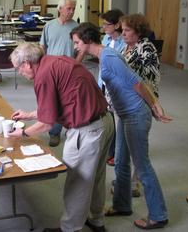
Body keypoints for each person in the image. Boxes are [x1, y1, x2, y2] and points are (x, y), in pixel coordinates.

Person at [71, 22, 171, 230]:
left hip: (136, 114)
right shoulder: (103, 56)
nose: (75, 47)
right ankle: (122, 205)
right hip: (124, 114)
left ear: (88, 41)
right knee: (121, 162)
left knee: (142, 167)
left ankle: (159, 215)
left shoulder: (109, 56)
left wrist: (154, 104)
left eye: (77, 42)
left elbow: (137, 82)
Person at [9, 42, 114, 232]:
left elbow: (48, 124)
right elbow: (59, 103)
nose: (19, 73)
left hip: (87, 130)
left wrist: (23, 133)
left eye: (18, 69)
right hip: (104, 121)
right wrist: (29, 114)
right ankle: (97, 220)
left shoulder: (42, 76)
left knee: (78, 182)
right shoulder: (54, 61)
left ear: (27, 63)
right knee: (96, 177)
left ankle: (70, 229)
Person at [118, 13, 161, 198]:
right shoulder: (126, 47)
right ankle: (125, 185)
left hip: (138, 107)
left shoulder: (147, 48)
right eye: (122, 30)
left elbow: (150, 82)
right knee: (122, 153)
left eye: (127, 30)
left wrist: (154, 105)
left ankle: (135, 183)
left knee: (139, 154)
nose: (123, 34)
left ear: (138, 31)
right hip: (123, 106)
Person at [39, 0, 79, 147]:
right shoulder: (49, 26)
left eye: (73, 9)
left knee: (68, 102)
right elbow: (43, 48)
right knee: (52, 102)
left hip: (69, 71)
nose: (71, 11)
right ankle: (54, 133)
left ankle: (70, 130)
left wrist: (77, 63)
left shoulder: (76, 28)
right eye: (69, 8)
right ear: (60, 8)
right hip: (51, 71)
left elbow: (81, 49)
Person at [99, 9, 125, 167]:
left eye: (106, 25)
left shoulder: (124, 42)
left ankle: (117, 153)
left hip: (117, 87)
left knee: (118, 123)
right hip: (103, 84)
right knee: (108, 121)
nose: (103, 28)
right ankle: (111, 151)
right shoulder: (105, 39)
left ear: (117, 25)